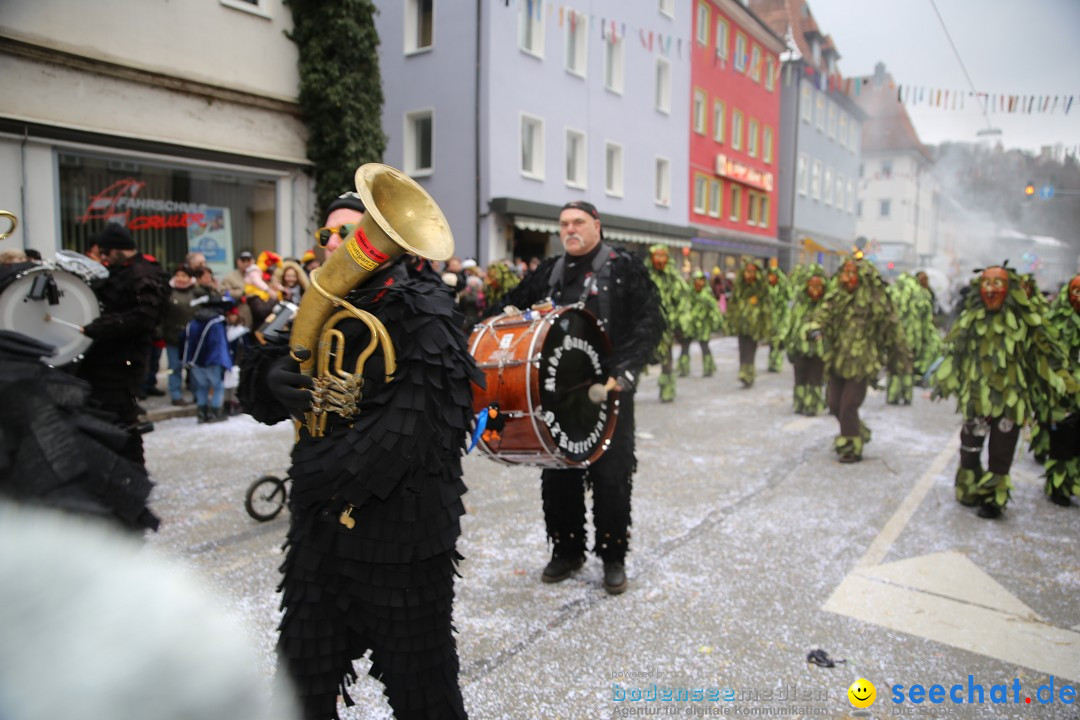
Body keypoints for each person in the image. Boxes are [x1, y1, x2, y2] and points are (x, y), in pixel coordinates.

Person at [240, 188, 482, 719]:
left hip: (404, 540)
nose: (334, 242)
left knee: (423, 691)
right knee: (300, 682)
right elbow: (262, 365)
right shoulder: (319, 302)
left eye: (347, 232)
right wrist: (270, 378)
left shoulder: (426, 310)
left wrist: (318, 474)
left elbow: (422, 429)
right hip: (320, 538)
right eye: (326, 233)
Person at [492, 201, 664, 595]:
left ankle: (613, 557)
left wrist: (626, 370)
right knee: (558, 475)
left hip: (608, 392)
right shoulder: (550, 270)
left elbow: (649, 321)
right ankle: (567, 551)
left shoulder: (623, 267)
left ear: (596, 226)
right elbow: (511, 310)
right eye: (564, 223)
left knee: (612, 479)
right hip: (556, 395)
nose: (570, 229)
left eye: (578, 222)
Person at [933, 264, 1073, 518]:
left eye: (998, 283)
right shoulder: (971, 320)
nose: (991, 288)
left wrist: (1063, 382)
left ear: (1010, 289)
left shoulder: (1027, 322)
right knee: (970, 447)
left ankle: (993, 499)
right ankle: (969, 484)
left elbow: (1046, 356)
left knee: (1001, 450)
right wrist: (945, 380)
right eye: (986, 282)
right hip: (977, 399)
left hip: (1010, 401)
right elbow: (957, 354)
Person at [76, 224, 168, 468]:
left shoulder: (142, 273)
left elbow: (144, 318)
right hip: (105, 357)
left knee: (123, 418)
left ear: (119, 250)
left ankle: (133, 475)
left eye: (106, 252)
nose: (103, 258)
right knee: (107, 416)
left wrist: (101, 326)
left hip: (125, 362)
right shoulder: (120, 270)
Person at [808, 257, 909, 463]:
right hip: (838, 359)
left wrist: (900, 357)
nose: (846, 279)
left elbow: (893, 329)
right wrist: (816, 329)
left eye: (851, 274)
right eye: (844, 273)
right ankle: (856, 432)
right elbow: (822, 315)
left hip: (862, 361)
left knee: (848, 405)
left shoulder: (875, 301)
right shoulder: (837, 296)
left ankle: (850, 448)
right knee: (834, 404)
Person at [1039, 273, 1080, 507]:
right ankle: (1058, 485)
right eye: (1077, 291)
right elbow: (1050, 357)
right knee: (1063, 439)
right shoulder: (1058, 322)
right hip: (1064, 394)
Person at [645, 244, 690, 402]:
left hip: (665, 327)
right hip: (646, 326)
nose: (659, 259)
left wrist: (680, 322)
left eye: (662, 255)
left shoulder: (673, 278)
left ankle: (667, 388)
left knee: (666, 358)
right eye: (656, 256)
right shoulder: (645, 276)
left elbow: (682, 301)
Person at [885, 273, 938, 405]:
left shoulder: (892, 290)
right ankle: (907, 395)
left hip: (893, 335)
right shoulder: (921, 293)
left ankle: (892, 395)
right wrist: (925, 338)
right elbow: (926, 319)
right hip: (913, 336)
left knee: (893, 365)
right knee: (908, 366)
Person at [784, 264, 827, 416]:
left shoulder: (827, 306)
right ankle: (799, 403)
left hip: (818, 350)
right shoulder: (799, 305)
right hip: (800, 349)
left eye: (818, 286)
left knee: (815, 378)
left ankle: (813, 405)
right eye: (811, 286)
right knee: (800, 377)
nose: (815, 290)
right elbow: (791, 324)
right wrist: (788, 344)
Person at [727, 260, 772, 388]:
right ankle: (743, 371)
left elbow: (766, 307)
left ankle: (749, 373)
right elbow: (733, 304)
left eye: (752, 272)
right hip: (742, 324)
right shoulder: (740, 287)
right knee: (742, 348)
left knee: (751, 349)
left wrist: (765, 326)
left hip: (755, 325)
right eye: (747, 271)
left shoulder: (761, 288)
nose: (749, 274)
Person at [162, 265, 199, 407]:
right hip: (173, 337)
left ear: (190, 278)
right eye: (178, 275)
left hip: (193, 338)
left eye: (184, 275)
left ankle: (198, 394)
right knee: (174, 367)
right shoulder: (168, 293)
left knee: (194, 368)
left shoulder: (197, 292)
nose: (181, 278)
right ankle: (176, 395)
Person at [676, 269, 724, 378]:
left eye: (701, 280)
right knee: (685, 346)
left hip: (703, 326)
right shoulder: (689, 294)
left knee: (704, 347)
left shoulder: (707, 295)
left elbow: (714, 309)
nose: (699, 283)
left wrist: (716, 321)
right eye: (697, 280)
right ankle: (683, 368)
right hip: (690, 325)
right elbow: (683, 307)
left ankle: (708, 368)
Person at [222, 251, 255, 328]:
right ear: (238, 262)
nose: (246, 263)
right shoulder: (230, 277)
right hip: (241, 314)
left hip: (257, 315)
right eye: (243, 261)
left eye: (249, 261)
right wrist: (241, 292)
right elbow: (223, 293)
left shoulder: (257, 275)